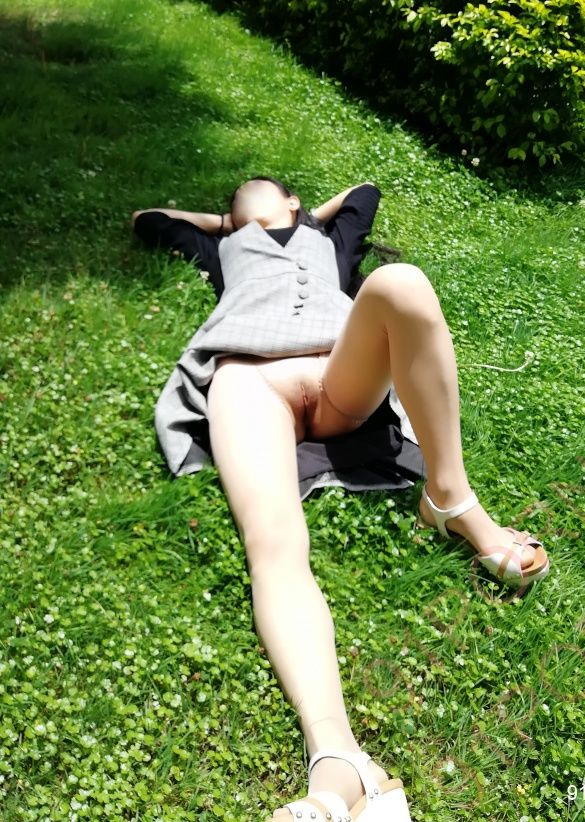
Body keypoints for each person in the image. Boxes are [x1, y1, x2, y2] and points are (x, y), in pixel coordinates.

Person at [131, 177, 550, 822]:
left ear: (294, 203)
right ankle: (340, 761)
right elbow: (149, 218)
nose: (245, 199)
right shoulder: (223, 246)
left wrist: (308, 217)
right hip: (245, 377)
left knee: (401, 283)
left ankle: (449, 497)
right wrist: (224, 223)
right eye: (236, 201)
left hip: (337, 369)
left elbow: (365, 193)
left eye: (260, 191)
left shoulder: (330, 238)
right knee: (274, 547)